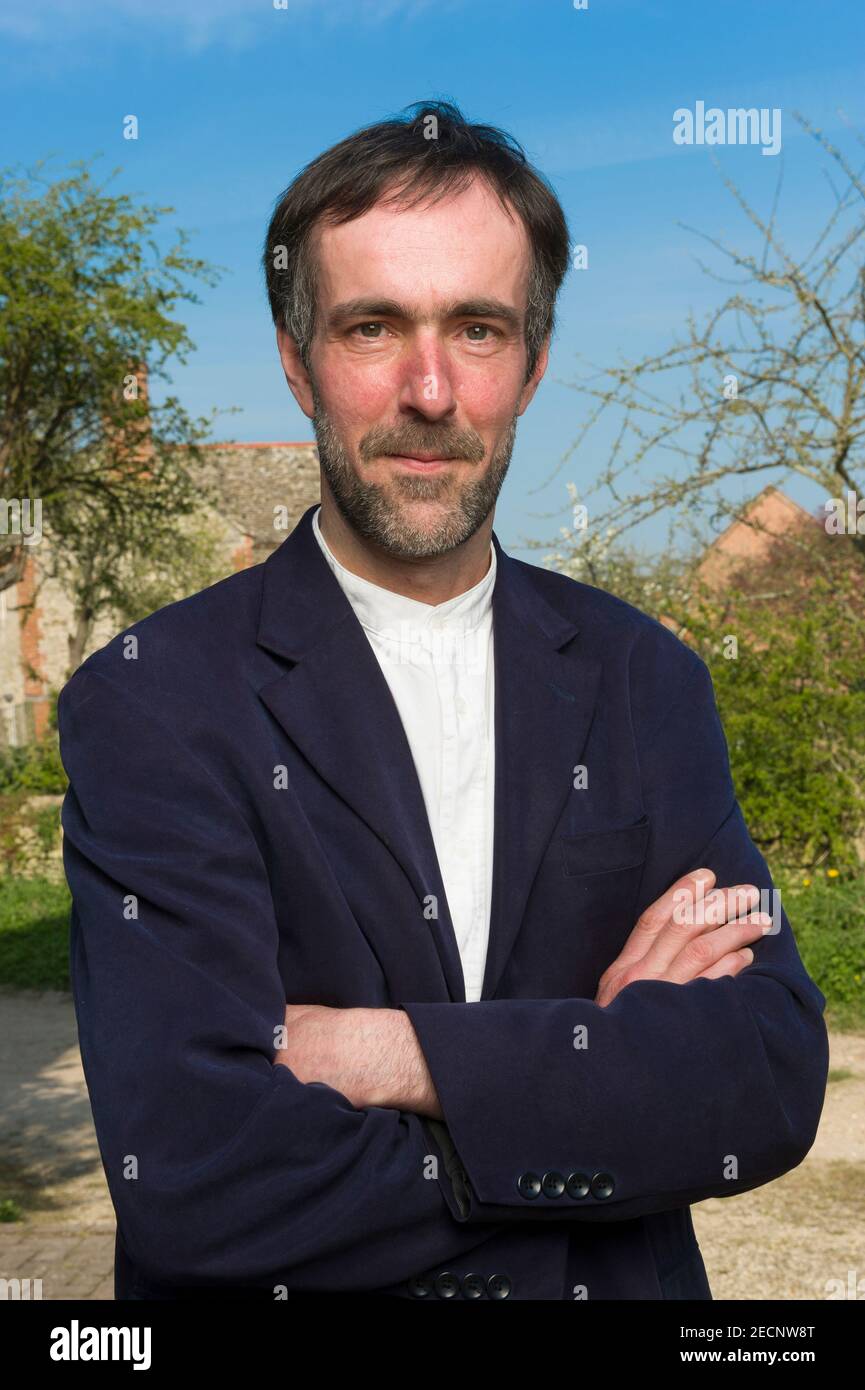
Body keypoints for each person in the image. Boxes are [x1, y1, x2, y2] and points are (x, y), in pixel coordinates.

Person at [58, 100, 828, 1301]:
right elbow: (202, 1177)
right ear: (294, 355)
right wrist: (593, 1072)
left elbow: (771, 1075)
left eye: (476, 327)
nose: (430, 389)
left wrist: (389, 1051)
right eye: (373, 327)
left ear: (533, 360)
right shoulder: (152, 703)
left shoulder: (644, 677)